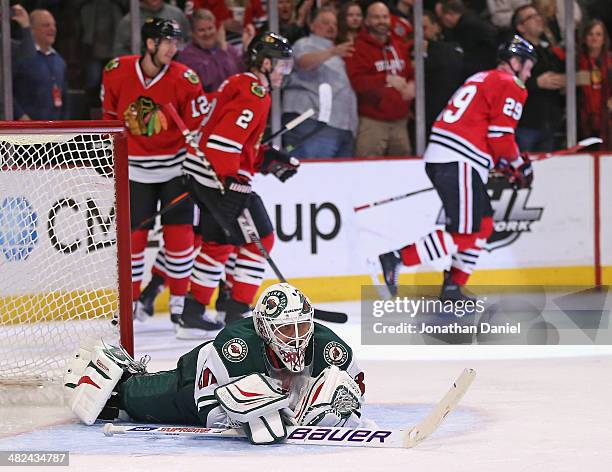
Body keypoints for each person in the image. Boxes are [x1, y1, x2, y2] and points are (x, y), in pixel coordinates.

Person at [66, 283, 366, 445]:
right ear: (263, 327)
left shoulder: (331, 349)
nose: (298, 336)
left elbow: (354, 401)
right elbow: (210, 412)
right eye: (287, 328)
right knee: (133, 399)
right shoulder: (237, 346)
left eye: (302, 326)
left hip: (252, 392)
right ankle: (113, 376)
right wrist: (257, 413)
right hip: (193, 385)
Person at [378, 35, 537, 301]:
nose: (529, 74)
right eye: (528, 66)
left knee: (484, 225)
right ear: (515, 61)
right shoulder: (512, 84)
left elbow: (484, 131)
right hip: (458, 160)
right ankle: (396, 258)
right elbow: (501, 137)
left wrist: (502, 163)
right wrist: (518, 164)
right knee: (465, 234)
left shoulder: (481, 77)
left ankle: (453, 286)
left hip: (453, 158)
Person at [178, 31, 300, 338]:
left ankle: (194, 313)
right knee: (263, 238)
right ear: (266, 63)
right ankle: (237, 311)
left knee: (218, 244)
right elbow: (224, 143)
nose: (284, 73)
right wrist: (232, 180)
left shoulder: (241, 82)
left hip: (201, 170)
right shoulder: (255, 93)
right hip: (216, 175)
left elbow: (235, 140)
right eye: (281, 66)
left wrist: (268, 159)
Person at [102, 18, 206, 324]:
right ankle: (130, 304)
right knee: (133, 240)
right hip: (135, 170)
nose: (174, 48)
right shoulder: (116, 71)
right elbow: (109, 119)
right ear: (150, 44)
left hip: (176, 169)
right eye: (168, 41)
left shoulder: (186, 79)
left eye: (176, 42)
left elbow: (198, 128)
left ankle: (178, 308)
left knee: (180, 238)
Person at [282, 6, 358, 158]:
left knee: (339, 179)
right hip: (313, 123)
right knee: (313, 175)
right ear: (311, 25)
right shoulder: (305, 43)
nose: (331, 27)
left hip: (342, 125)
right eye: (325, 22)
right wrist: (332, 52)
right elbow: (303, 63)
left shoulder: (337, 50)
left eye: (334, 24)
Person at [345, 1, 415, 157]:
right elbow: (357, 82)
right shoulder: (357, 48)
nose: (381, 21)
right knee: (367, 170)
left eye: (385, 17)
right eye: (376, 17)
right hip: (372, 122)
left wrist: (413, 84)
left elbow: (410, 72)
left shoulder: (398, 46)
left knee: (403, 171)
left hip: (400, 121)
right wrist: (385, 79)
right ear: (367, 21)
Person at [512, 4, 565, 152]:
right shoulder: (515, 51)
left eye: (538, 15)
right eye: (531, 17)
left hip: (549, 122)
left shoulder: (547, 50)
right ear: (521, 27)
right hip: (526, 123)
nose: (538, 19)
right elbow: (509, 83)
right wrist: (537, 82)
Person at [13, 9, 68, 121]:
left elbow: (65, 99)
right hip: (25, 130)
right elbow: (6, 92)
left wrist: (65, 125)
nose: (52, 29)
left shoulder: (60, 61)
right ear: (32, 30)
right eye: (46, 25)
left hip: (54, 131)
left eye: (54, 25)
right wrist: (20, 115)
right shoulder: (21, 56)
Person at [176, 9, 245, 93]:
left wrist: (246, 47)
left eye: (210, 28)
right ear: (193, 33)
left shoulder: (228, 48)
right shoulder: (187, 55)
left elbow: (242, 70)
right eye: (201, 30)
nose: (207, 33)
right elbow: (204, 79)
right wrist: (221, 52)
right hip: (209, 102)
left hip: (235, 98)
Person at [422, 10, 464, 134]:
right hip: (427, 112)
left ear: (436, 26)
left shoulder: (452, 46)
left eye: (424, 27)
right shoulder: (413, 50)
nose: (420, 33)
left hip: (450, 108)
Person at [435, 0, 498, 80]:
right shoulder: (470, 19)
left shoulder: (466, 26)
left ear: (449, 14)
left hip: (482, 68)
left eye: (442, 18)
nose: (443, 22)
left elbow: (465, 53)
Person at [578, 19, 612, 149]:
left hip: (606, 120)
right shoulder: (576, 60)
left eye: (598, 34)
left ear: (604, 39)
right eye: (590, 34)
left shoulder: (610, 62)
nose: (594, 38)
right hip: (583, 120)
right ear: (585, 38)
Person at [114, 0, 190, 56]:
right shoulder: (129, 21)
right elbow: (120, 52)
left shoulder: (177, 14)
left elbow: (188, 41)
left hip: (174, 66)